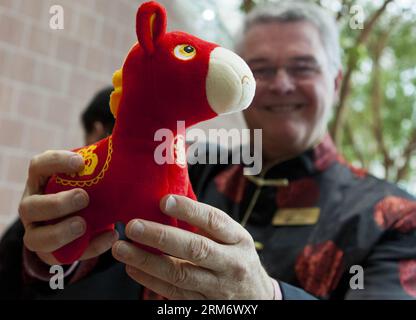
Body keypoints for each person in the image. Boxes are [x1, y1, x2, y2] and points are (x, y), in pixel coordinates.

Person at [3, 0, 416, 299]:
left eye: (302, 67)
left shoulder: (394, 218)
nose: (280, 84)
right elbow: (47, 273)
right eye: (261, 68)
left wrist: (269, 297)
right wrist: (44, 244)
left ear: (336, 82)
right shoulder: (189, 162)